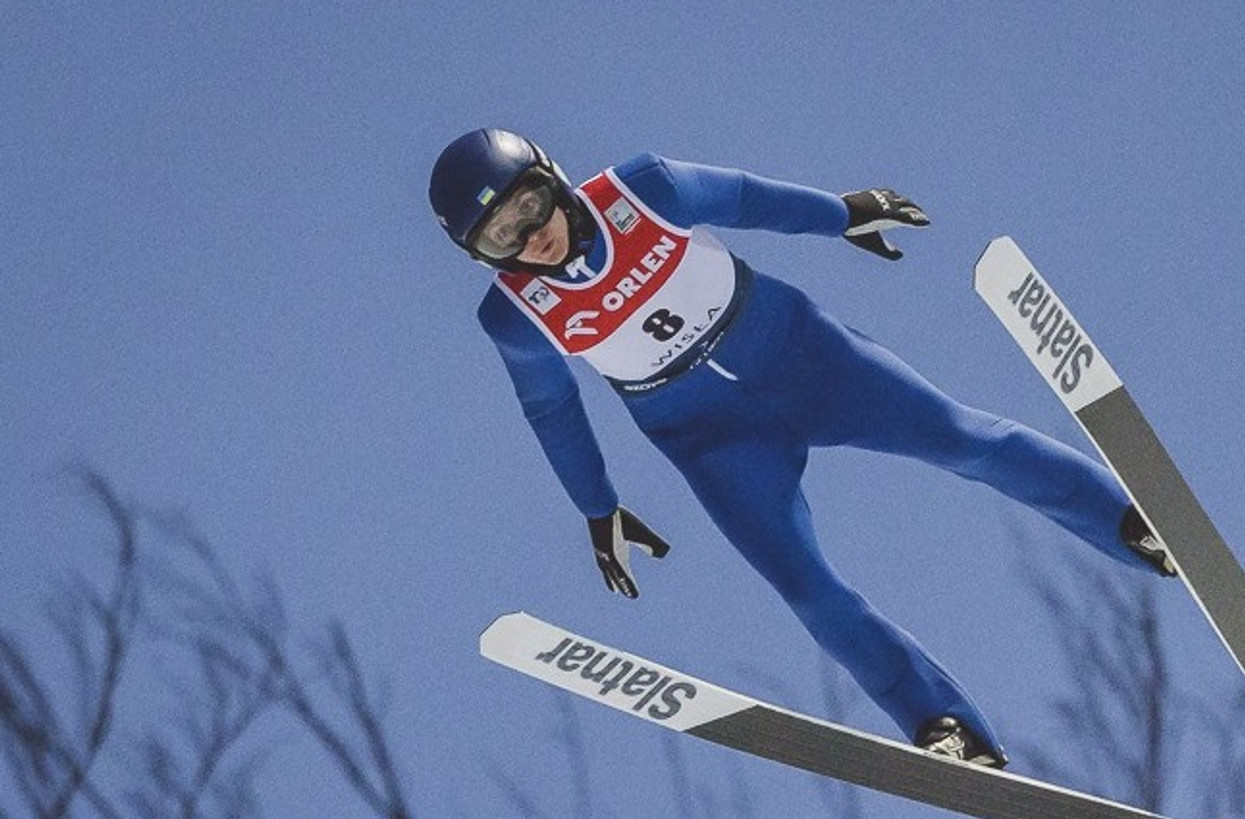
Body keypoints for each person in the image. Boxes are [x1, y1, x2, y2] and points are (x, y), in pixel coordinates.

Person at [429, 128, 1173, 768]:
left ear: (550, 177)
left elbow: (749, 201)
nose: (534, 235)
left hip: (805, 358)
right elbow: (551, 408)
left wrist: (843, 214)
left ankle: (1129, 523)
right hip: (712, 439)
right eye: (505, 236)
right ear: (483, 256)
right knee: (807, 587)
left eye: (530, 204)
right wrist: (598, 507)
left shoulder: (642, 189)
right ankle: (939, 725)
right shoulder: (517, 316)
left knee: (962, 438)